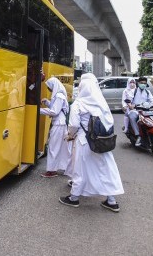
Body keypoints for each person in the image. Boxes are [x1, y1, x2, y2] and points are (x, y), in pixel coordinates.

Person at [60, 73, 124, 212]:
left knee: (80, 170)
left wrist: (70, 135)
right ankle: (112, 201)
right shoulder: (102, 103)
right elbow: (110, 123)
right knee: (105, 170)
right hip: (101, 143)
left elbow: (73, 125)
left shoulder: (79, 103)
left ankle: (74, 198)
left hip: (84, 142)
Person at [39, 77, 72, 178]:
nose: (48, 89)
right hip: (61, 124)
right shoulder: (59, 95)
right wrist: (47, 103)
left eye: (49, 87)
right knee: (63, 148)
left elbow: (54, 112)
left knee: (53, 147)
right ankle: (69, 168)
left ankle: (51, 171)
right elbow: (56, 108)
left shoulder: (58, 96)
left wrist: (39, 110)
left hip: (58, 124)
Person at [128, 77, 153, 146]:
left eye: (145, 83)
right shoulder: (134, 91)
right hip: (136, 110)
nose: (143, 84)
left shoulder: (147, 92)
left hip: (146, 111)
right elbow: (129, 100)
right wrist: (131, 105)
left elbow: (152, 100)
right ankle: (138, 136)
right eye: (141, 83)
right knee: (132, 117)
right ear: (138, 83)